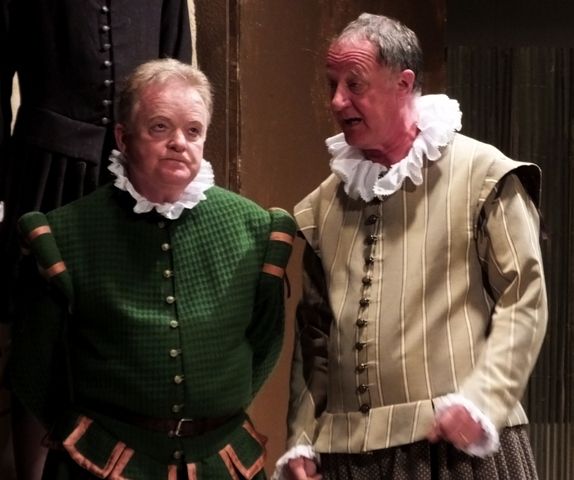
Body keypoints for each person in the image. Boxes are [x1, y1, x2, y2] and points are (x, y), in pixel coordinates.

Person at [273, 13, 547, 480]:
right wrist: (302, 438)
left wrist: (485, 399)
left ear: (403, 83)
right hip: (348, 457)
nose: (337, 101)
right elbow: (314, 337)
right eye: (332, 84)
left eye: (354, 84)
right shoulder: (324, 206)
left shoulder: (483, 174)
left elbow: (524, 297)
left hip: (455, 449)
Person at [8, 58, 296, 479]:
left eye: (193, 131)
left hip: (222, 463)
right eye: (160, 127)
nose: (179, 142)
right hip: (102, 465)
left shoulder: (254, 228)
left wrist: (211, 408)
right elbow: (34, 368)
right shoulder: (67, 233)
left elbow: (266, 340)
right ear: (123, 138)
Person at [0, 3, 192, 478]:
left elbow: (177, 75)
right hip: (45, 169)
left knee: (131, 326)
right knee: (37, 329)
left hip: (133, 171)